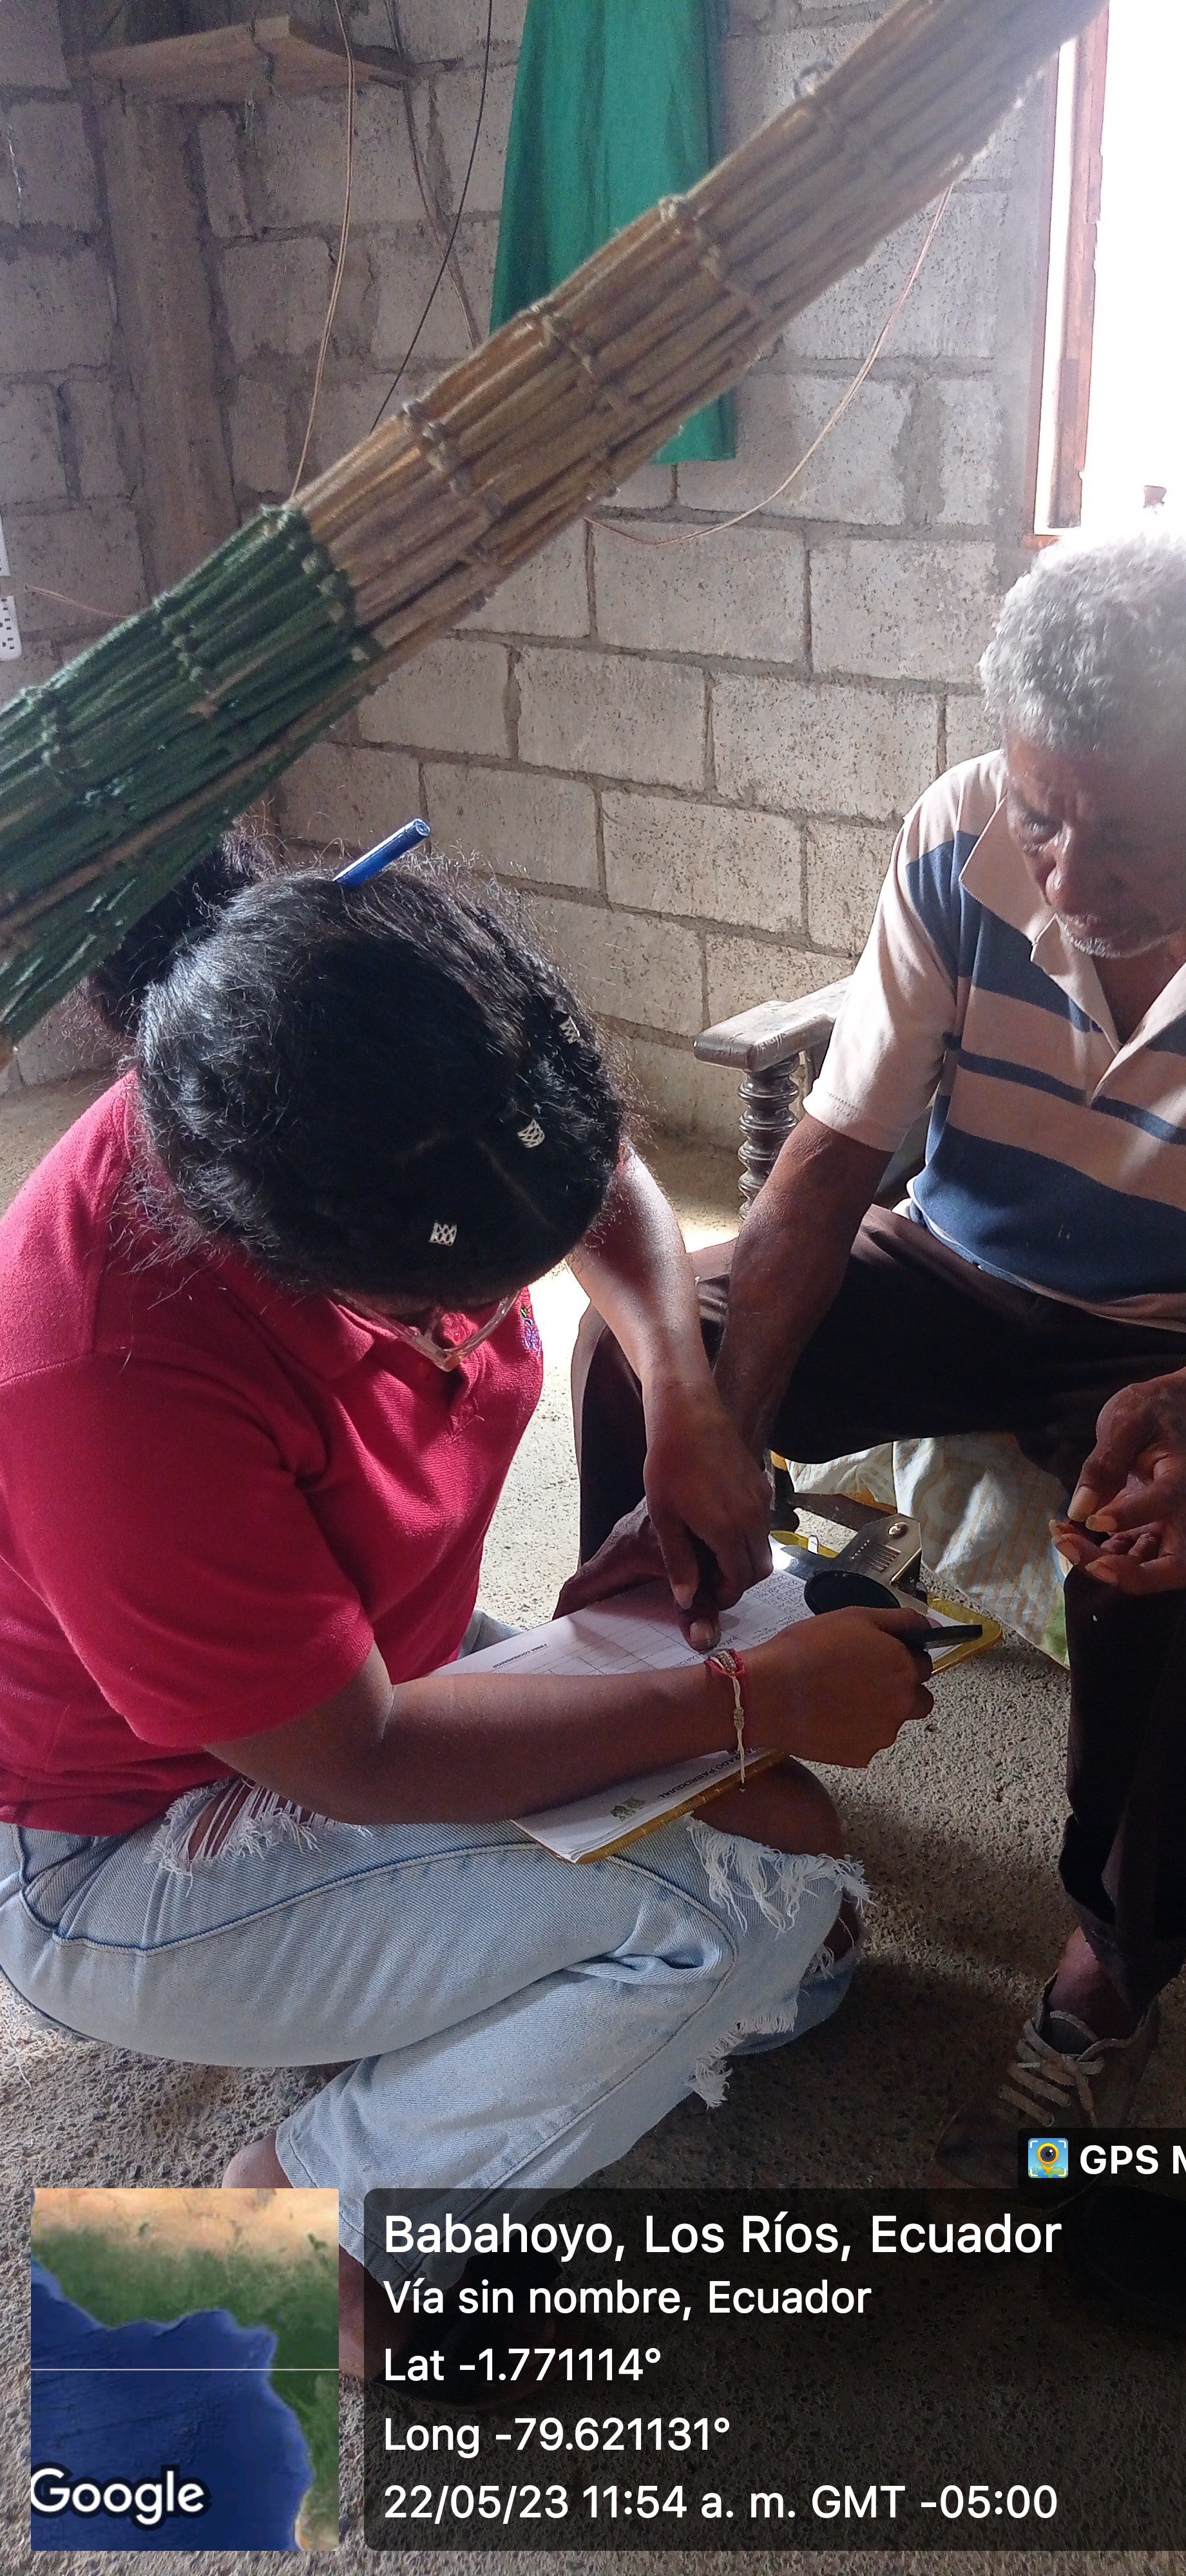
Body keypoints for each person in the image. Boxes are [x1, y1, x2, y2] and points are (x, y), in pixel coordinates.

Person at [571, 528, 1186, 2181]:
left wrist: (1184, 1402)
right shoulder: (961, 828)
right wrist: (727, 1419)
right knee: (649, 1361)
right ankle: (684, 1733)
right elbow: (839, 1148)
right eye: (1045, 816)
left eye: (1125, 838)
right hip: (956, 1264)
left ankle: (1113, 1967)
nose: (1065, 875)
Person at [0, 840, 932, 2371]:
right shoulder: (105, 1368)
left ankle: (417, 2000)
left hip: (372, 1665)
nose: (487, 1330)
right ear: (278, 1250)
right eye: (439, 1312)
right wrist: (751, 1697)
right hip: (134, 1834)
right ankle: (312, 2210)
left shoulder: (411, 1077)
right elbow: (354, 1758)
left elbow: (593, 1180)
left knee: (806, 1915)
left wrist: (683, 1393)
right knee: (746, 1915)